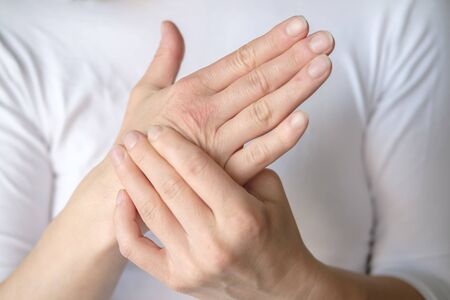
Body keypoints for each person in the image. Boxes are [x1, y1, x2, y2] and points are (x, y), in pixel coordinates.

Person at [0, 0, 449, 299]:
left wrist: (291, 282)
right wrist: (126, 178)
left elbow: (432, 281)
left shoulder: (398, 12)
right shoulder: (20, 32)